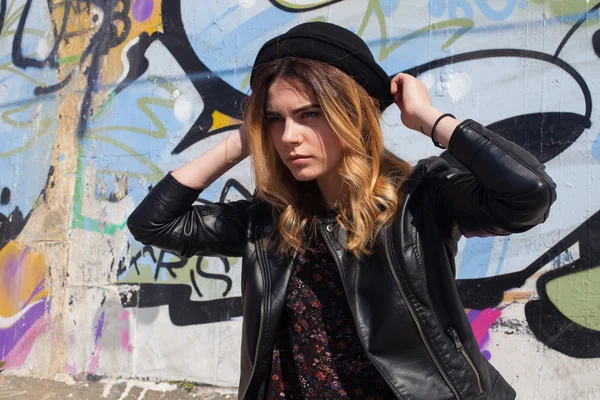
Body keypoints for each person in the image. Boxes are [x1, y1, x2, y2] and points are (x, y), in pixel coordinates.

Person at [127, 22, 556, 400]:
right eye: (276, 119)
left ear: (350, 114)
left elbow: (527, 194)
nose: (289, 136)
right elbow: (154, 223)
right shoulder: (271, 220)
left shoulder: (418, 201)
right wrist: (245, 138)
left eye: (309, 114)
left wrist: (428, 117)